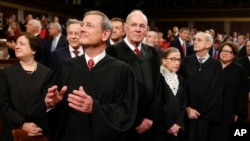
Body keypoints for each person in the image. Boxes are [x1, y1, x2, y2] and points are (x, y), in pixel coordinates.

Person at [43, 10, 138, 141]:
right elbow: (43, 107)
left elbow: (126, 113)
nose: (82, 29)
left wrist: (95, 109)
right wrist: (50, 105)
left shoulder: (122, 70)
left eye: (89, 25)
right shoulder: (65, 67)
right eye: (82, 25)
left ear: (105, 34)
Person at [106, 10, 161, 141]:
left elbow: (158, 86)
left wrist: (150, 117)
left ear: (147, 29)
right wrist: (132, 120)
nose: (137, 29)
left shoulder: (152, 52)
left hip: (148, 123)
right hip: (124, 123)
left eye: (142, 26)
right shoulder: (112, 52)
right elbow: (112, 91)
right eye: (133, 25)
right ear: (126, 27)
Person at [0, 32, 50, 141]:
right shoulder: (6, 73)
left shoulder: (47, 73)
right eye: (17, 44)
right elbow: (3, 105)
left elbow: (50, 104)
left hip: (41, 131)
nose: (17, 46)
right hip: (13, 131)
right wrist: (22, 123)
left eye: (22, 44)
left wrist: (41, 124)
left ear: (33, 50)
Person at [178, 31, 224, 141]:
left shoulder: (216, 65)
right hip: (186, 114)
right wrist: (188, 108)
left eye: (199, 40)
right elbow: (181, 87)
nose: (195, 42)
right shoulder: (186, 62)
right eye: (194, 40)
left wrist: (201, 112)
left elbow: (216, 92)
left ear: (208, 44)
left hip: (206, 117)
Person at [211, 42, 249, 141]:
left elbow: (242, 93)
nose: (225, 53)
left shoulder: (240, 70)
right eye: (223, 51)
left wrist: (238, 111)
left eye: (228, 51)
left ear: (234, 55)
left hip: (229, 110)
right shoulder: (212, 67)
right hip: (211, 109)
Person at [152, 47, 187, 141]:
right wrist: (170, 124)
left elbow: (184, 103)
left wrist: (178, 123)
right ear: (163, 61)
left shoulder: (181, 79)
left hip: (177, 127)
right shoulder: (157, 78)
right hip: (161, 127)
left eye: (179, 59)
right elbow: (160, 103)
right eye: (173, 59)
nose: (177, 63)